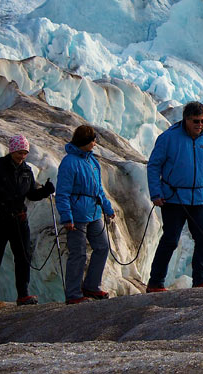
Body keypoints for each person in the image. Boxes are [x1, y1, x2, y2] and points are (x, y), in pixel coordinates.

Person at [146, 101, 203, 292]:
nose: (200, 125)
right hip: (174, 198)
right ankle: (155, 282)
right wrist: (156, 192)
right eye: (196, 121)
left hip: (200, 199)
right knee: (170, 240)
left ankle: (200, 279)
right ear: (186, 119)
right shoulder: (169, 138)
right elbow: (154, 166)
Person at [0, 135, 54, 309]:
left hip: (19, 221)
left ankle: (23, 295)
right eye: (19, 152)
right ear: (12, 151)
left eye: (25, 152)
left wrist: (45, 192)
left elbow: (31, 194)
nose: (22, 156)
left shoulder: (27, 171)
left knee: (23, 258)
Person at [56, 125, 115, 305]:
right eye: (93, 140)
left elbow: (98, 189)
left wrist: (107, 207)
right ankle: (73, 293)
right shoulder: (69, 162)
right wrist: (67, 217)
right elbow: (63, 192)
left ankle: (91, 286)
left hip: (94, 212)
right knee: (78, 253)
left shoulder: (92, 162)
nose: (95, 143)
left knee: (103, 247)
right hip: (77, 215)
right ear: (85, 141)